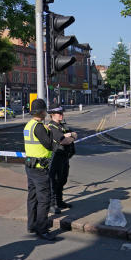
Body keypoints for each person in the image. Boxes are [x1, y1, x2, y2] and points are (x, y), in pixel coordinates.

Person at [23, 99, 73, 241]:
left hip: (30, 166)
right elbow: (49, 145)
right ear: (42, 112)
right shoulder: (39, 127)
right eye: (45, 110)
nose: (46, 113)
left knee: (32, 197)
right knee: (44, 200)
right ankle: (42, 229)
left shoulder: (29, 125)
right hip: (39, 169)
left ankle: (31, 225)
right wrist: (50, 133)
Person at [46, 104, 77, 214]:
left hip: (64, 157)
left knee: (62, 180)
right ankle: (52, 204)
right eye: (59, 113)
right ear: (53, 115)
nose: (61, 115)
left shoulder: (62, 126)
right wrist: (71, 136)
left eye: (62, 113)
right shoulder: (52, 127)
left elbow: (72, 134)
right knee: (54, 181)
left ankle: (59, 201)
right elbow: (63, 140)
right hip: (56, 157)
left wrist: (70, 135)